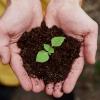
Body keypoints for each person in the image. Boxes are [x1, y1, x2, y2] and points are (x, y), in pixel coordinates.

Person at [0, 0, 98, 98]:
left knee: (62, 88)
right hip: (19, 25)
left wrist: (67, 3)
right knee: (7, 81)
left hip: (60, 18)